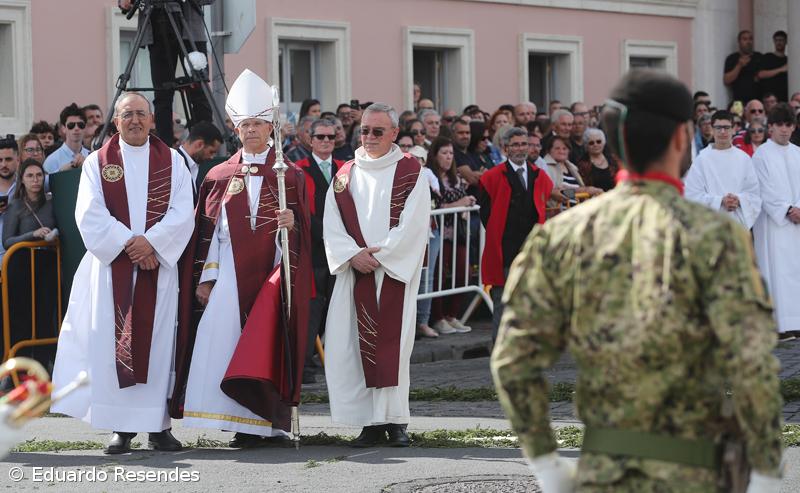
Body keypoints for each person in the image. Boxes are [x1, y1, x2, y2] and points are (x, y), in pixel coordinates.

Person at [492, 69, 783, 493]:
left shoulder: (562, 235)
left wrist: (548, 466)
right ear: (682, 137)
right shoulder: (716, 235)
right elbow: (752, 364)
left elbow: (514, 361)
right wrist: (767, 473)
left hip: (604, 472)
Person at [171, 69, 312, 448]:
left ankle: (270, 425)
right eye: (244, 124)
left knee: (267, 344)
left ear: (271, 129)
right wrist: (206, 277)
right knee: (226, 343)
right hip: (230, 275)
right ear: (236, 128)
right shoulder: (219, 174)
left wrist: (292, 224)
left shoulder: (289, 175)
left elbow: (305, 232)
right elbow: (209, 231)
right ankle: (239, 423)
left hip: (273, 275)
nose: (251, 131)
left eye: (258, 124)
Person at [50, 92, 195, 454]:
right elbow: (88, 214)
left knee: (158, 343)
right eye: (127, 114)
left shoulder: (174, 162)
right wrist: (132, 245)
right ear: (115, 122)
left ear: (151, 120)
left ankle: (158, 427)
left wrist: (154, 244)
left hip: (157, 270)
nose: (134, 120)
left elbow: (183, 211)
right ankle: (120, 428)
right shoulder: (97, 163)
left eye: (140, 114)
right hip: (111, 269)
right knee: (112, 343)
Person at [323, 103, 430, 448]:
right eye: (364, 131)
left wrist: (378, 255)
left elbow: (413, 225)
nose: (368, 137)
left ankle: (395, 421)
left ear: (395, 133)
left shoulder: (411, 171)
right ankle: (368, 423)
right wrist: (353, 255)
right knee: (353, 348)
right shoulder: (344, 175)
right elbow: (331, 224)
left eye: (377, 131)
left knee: (392, 348)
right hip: (355, 274)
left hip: (392, 274)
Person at [479, 127, 553, 342]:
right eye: (516, 145)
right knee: (502, 303)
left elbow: (543, 202)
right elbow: (487, 215)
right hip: (504, 249)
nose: (521, 149)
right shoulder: (492, 178)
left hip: (530, 248)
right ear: (505, 148)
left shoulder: (539, 176)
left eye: (524, 144)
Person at [119, 0, 214, 146]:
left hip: (189, 28)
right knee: (162, 94)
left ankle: (205, 143)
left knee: (199, 90)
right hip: (156, 25)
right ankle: (164, 148)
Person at [296, 119, 342, 383]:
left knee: (336, 308)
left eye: (330, 137)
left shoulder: (344, 168)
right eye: (320, 137)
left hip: (339, 251)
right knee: (311, 309)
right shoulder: (299, 170)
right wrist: (325, 233)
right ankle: (304, 364)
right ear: (310, 140)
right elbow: (300, 210)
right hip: (312, 249)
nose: (326, 141)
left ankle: (335, 359)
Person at [2, 159, 58, 369]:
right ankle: (20, 371)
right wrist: (32, 235)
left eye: (39, 175)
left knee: (45, 317)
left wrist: (54, 235)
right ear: (22, 180)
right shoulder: (15, 205)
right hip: (21, 263)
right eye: (30, 176)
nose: (35, 180)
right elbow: (7, 241)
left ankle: (42, 369)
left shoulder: (52, 202)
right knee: (21, 319)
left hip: (47, 263)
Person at [753, 102, 800, 339]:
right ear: (770, 127)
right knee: (778, 272)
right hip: (775, 224)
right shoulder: (762, 155)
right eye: (779, 125)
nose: (784, 130)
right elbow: (763, 190)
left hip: (798, 223)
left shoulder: (798, 153)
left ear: (793, 127)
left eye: (788, 125)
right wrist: (787, 210)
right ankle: (779, 325)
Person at [428, 137, 475, 336]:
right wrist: (461, 203)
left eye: (451, 153)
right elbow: (436, 206)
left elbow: (463, 198)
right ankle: (437, 317)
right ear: (435, 155)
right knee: (439, 275)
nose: (448, 157)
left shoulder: (456, 178)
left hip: (459, 232)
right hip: (440, 232)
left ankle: (451, 315)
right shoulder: (429, 177)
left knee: (461, 273)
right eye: (444, 153)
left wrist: (468, 201)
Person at [685, 110, 761, 229]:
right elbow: (692, 195)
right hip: (710, 227)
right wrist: (720, 201)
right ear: (712, 129)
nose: (722, 132)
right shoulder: (702, 159)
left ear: (733, 129)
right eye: (718, 127)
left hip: (737, 225)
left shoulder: (744, 158)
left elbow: (754, 194)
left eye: (726, 127)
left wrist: (739, 200)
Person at [176, 121, 223, 198]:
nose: (211, 157)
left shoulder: (193, 166)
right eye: (211, 152)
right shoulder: (174, 165)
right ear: (199, 144)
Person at [42, 103, 90, 174]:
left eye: (80, 125)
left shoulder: (91, 156)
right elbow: (45, 184)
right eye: (71, 125)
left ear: (85, 127)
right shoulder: (52, 160)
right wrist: (61, 172)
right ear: (63, 128)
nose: (76, 128)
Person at [724, 30, 762, 104]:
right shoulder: (732, 58)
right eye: (745, 39)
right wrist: (739, 65)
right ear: (739, 42)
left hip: (757, 101)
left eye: (750, 39)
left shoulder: (759, 57)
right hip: (738, 101)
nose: (748, 42)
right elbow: (727, 80)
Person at [0, 137, 19, 265]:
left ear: (18, 160)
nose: (3, 165)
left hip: (19, 260)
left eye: (8, 159)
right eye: (0, 160)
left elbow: (53, 179)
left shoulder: (28, 184)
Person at [758, 31, 788, 102]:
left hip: (784, 98)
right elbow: (761, 74)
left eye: (781, 40)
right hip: (768, 98)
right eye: (776, 40)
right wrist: (781, 69)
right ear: (774, 41)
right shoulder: (767, 57)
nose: (779, 42)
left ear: (786, 41)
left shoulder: (788, 60)